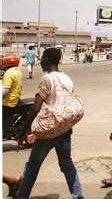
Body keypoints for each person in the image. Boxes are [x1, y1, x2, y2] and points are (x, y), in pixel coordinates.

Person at [12, 48, 84, 198]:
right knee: (67, 164)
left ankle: (21, 196)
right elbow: (68, 105)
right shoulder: (66, 78)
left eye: (42, 58)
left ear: (46, 60)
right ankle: (78, 196)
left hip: (48, 131)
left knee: (32, 166)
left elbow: (36, 107)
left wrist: (23, 130)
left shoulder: (47, 79)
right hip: (64, 130)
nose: (41, 61)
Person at [2, 53, 23, 120]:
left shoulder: (9, 73)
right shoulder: (17, 71)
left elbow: (5, 90)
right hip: (15, 99)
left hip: (8, 102)